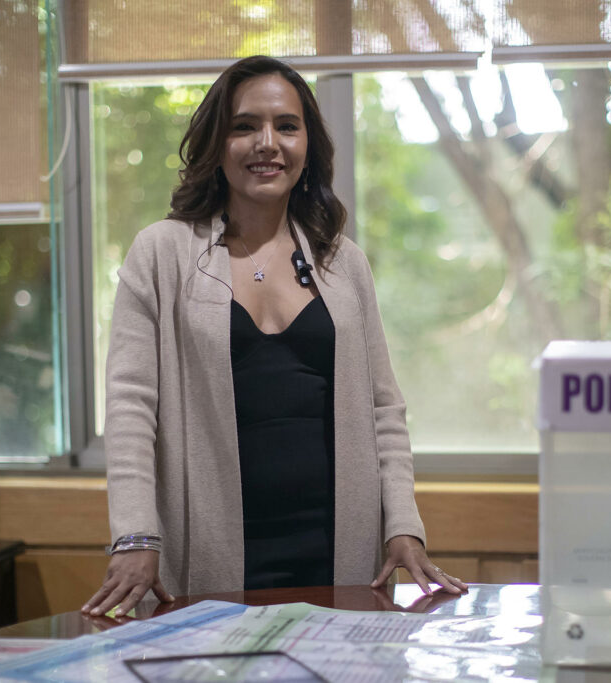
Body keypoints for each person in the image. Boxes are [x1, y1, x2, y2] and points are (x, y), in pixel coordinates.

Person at [82, 56, 468, 618]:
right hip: (208, 552)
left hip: (337, 552)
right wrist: (135, 535)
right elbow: (130, 408)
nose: (268, 143)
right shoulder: (162, 253)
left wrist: (402, 526)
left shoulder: (343, 262)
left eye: (286, 126)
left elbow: (384, 409)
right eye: (245, 126)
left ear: (307, 145)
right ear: (217, 144)